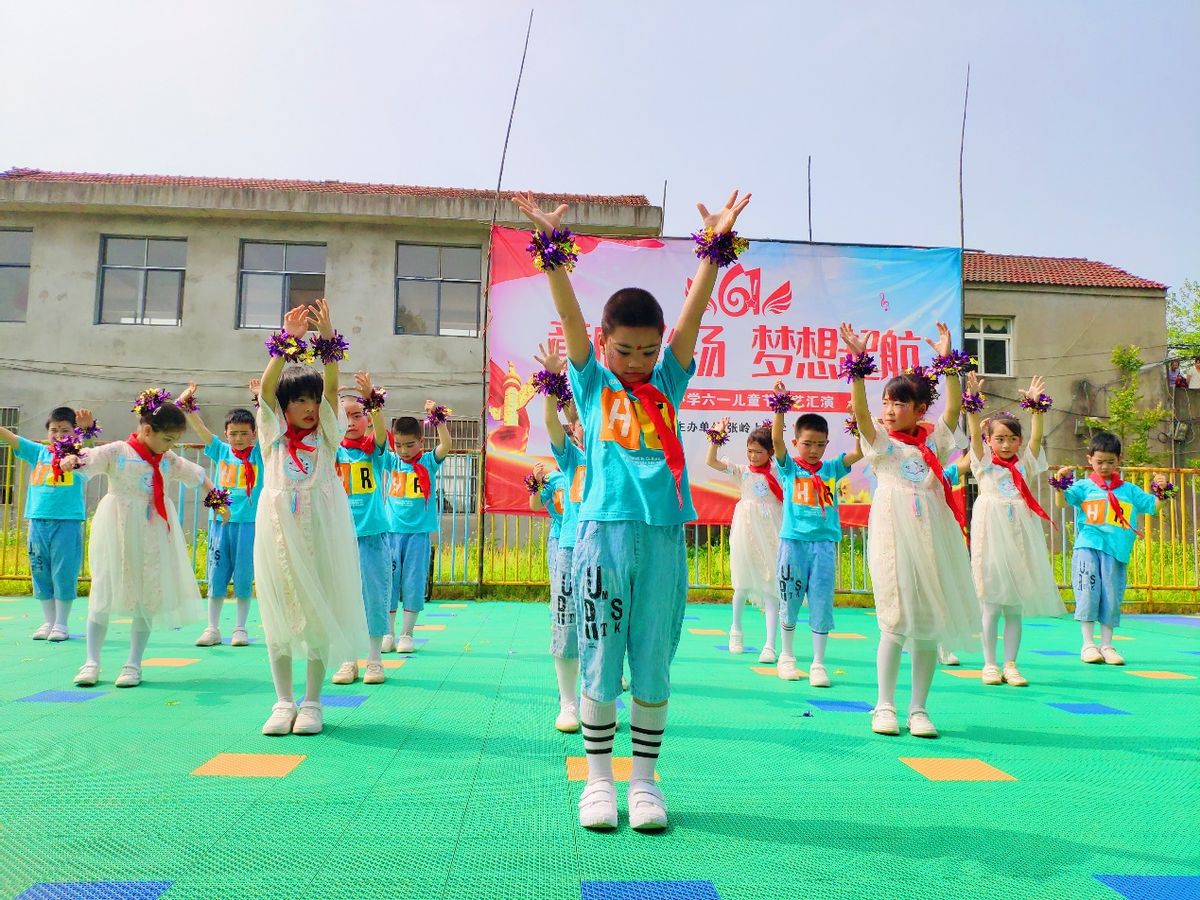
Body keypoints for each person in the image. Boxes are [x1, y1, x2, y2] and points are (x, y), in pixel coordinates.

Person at [514, 187, 751, 831]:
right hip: (602, 535)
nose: (640, 362)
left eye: (648, 352)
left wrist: (712, 253)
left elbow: (691, 319)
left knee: (652, 653)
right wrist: (555, 255)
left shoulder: (668, 381)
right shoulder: (592, 382)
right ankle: (598, 782)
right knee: (599, 649)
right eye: (627, 351)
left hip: (665, 537)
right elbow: (567, 317)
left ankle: (644, 783)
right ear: (603, 342)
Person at [841, 321, 979, 739]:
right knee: (895, 619)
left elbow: (952, 410)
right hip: (892, 534)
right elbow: (862, 415)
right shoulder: (881, 442)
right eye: (887, 401)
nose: (889, 409)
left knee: (928, 619)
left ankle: (919, 709)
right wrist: (860, 367)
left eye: (899, 403)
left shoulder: (933, 440)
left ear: (920, 410)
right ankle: (884, 705)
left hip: (932, 533)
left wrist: (948, 363)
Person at [253, 300, 367, 736]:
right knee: (278, 614)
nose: (309, 408)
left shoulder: (327, 437)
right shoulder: (272, 438)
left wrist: (326, 344)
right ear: (284, 407)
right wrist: (287, 345)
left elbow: (335, 391)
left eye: (313, 400)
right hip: (277, 537)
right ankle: (283, 701)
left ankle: (314, 701)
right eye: (298, 400)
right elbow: (265, 393)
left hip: (321, 533)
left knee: (319, 610)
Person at [67, 393, 228, 688]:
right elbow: (83, 460)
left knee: (146, 595)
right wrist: (76, 449)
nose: (171, 446)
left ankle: (133, 663)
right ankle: (91, 661)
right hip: (117, 528)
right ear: (147, 431)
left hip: (153, 530)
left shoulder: (168, 459)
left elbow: (198, 476)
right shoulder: (117, 451)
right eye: (167, 439)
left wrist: (216, 499)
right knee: (104, 589)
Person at [962, 373, 1065, 686]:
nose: (1006, 444)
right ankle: (989, 664)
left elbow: (1036, 440)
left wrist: (1035, 409)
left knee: (1014, 608)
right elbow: (972, 431)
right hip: (991, 535)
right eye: (999, 439)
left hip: (1019, 535)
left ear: (1018, 441)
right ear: (988, 441)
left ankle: (1011, 664)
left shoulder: (1025, 464)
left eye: (1011, 439)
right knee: (991, 604)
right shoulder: (983, 463)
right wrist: (972, 405)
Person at [1052, 432, 1169, 665]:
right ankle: (1088, 644)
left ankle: (1107, 645)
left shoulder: (1130, 490)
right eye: (1099, 462)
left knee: (1112, 597)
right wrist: (1060, 482)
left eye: (1110, 462)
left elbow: (1153, 507)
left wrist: (1161, 488)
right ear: (1090, 460)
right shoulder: (1084, 487)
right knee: (1087, 592)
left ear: (1119, 460)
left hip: (1116, 551)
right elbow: (1062, 501)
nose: (1104, 466)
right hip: (1089, 545)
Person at [769, 396, 862, 685]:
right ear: (796, 442)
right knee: (790, 597)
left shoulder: (832, 468)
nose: (814, 450)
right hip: (793, 543)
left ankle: (818, 663)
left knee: (822, 600)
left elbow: (859, 453)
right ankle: (786, 656)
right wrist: (780, 411)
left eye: (820, 444)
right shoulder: (790, 468)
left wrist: (857, 422)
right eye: (807, 443)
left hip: (823, 545)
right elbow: (776, 441)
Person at [176, 384, 262, 648]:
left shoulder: (260, 454)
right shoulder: (222, 451)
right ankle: (212, 627)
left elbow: (269, 427)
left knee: (244, 577)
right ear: (226, 434)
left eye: (243, 434)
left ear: (254, 435)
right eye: (233, 433)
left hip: (248, 525)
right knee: (216, 576)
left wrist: (260, 400)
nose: (238, 438)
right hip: (219, 524)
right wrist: (188, 406)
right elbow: (202, 431)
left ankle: (240, 628)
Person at [0, 406, 96, 642]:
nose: (59, 434)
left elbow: (91, 449)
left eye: (65, 430)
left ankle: (61, 624)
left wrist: (86, 429)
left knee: (64, 572)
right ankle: (48, 622)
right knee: (40, 570)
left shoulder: (79, 454)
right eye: (54, 430)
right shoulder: (39, 453)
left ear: (74, 432)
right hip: (38, 521)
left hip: (67, 522)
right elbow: (11, 438)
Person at [704, 417, 783, 661]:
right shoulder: (742, 472)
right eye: (749, 451)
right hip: (746, 532)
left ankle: (770, 645)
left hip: (771, 531)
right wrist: (716, 438)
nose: (752, 456)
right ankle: (735, 632)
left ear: (770, 452)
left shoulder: (779, 471)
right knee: (742, 584)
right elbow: (712, 461)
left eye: (758, 452)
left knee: (772, 586)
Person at [384, 401, 452, 653]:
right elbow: (379, 444)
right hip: (391, 533)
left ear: (421, 441)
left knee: (413, 582)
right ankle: (388, 633)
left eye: (409, 444)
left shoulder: (427, 461)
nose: (403, 450)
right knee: (389, 582)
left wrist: (439, 421)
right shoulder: (392, 462)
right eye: (399, 445)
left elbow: (445, 446)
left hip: (418, 535)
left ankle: (407, 634)